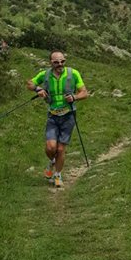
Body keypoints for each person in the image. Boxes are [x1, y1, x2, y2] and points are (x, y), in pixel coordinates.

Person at [27, 51, 88, 188]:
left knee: (60, 149)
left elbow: (84, 93)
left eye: (62, 61)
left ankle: (58, 175)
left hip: (69, 115)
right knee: (50, 147)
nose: (60, 64)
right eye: (56, 62)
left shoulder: (73, 74)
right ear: (51, 63)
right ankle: (53, 161)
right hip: (53, 116)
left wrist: (74, 97)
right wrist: (37, 89)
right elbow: (29, 83)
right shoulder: (45, 74)